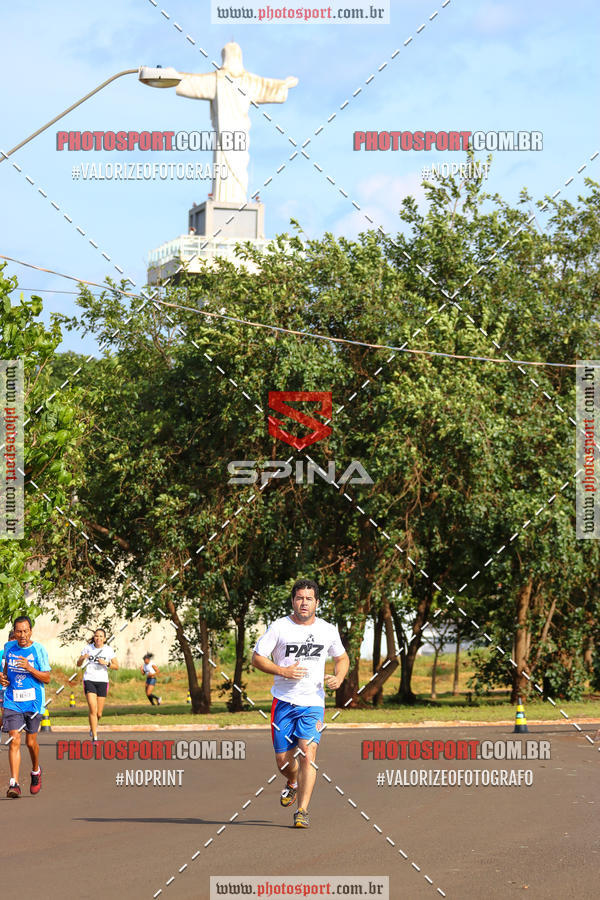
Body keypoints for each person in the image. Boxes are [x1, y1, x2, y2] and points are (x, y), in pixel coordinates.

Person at [252, 578, 349, 828]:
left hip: (313, 703)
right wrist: (282, 671)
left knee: (308, 753)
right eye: (299, 598)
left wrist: (339, 677)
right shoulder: (279, 627)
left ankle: (302, 811)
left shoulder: (327, 629)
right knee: (284, 762)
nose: (303, 602)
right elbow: (257, 658)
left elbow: (342, 657)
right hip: (283, 702)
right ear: (293, 601)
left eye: (309, 598)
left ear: (317, 602)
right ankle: (292, 781)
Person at [0, 616, 51, 798]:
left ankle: (36, 770)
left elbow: (46, 678)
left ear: (31, 631)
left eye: (25, 631)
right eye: (18, 631)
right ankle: (14, 783)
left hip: (33, 702)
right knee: (14, 739)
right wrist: (3, 677)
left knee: (30, 743)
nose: (22, 635)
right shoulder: (8, 648)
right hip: (13, 700)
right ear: (14, 632)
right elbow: (6, 671)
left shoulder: (38, 650)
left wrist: (30, 668)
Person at [76, 628, 118, 740]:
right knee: (92, 709)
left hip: (103, 681)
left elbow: (116, 666)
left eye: (100, 636)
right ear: (94, 638)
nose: (98, 638)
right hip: (89, 680)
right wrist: (83, 658)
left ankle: (93, 726)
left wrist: (106, 663)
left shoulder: (108, 650)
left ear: (104, 638)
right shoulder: (88, 648)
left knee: (99, 713)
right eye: (96, 636)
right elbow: (78, 664)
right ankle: (95, 736)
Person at [0, 629, 15, 728]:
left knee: (9, 716)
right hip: (1, 689)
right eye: (11, 639)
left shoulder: (21, 654)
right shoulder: (2, 653)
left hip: (14, 690)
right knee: (3, 714)